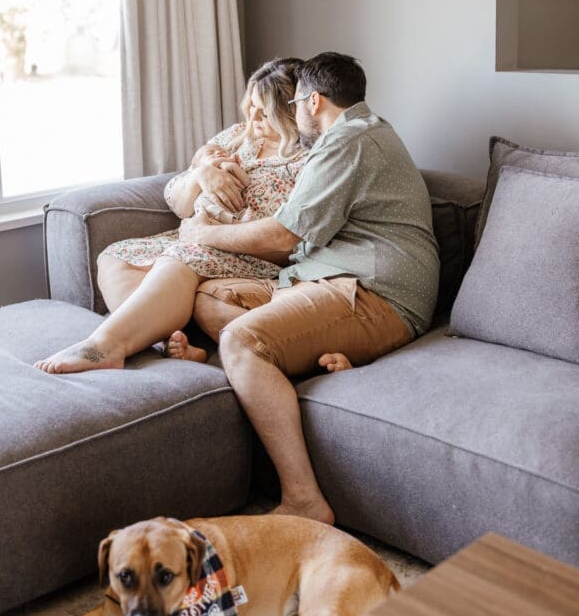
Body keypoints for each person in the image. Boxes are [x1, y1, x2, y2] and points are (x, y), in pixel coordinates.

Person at [176, 52, 440, 525]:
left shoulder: (351, 142)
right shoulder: (355, 132)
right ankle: (302, 360)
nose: (295, 116)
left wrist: (202, 234)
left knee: (240, 340)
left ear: (313, 101)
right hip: (323, 277)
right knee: (210, 296)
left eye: (296, 104)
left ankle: (303, 500)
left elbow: (283, 234)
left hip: (374, 291)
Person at [34, 58, 306, 374]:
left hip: (247, 251)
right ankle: (165, 341)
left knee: (181, 260)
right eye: (252, 107)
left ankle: (104, 346)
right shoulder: (236, 137)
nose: (254, 116)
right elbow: (178, 203)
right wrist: (202, 174)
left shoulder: (306, 158)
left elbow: (288, 236)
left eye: (265, 111)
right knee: (116, 257)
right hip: (195, 235)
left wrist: (208, 232)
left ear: (289, 111)